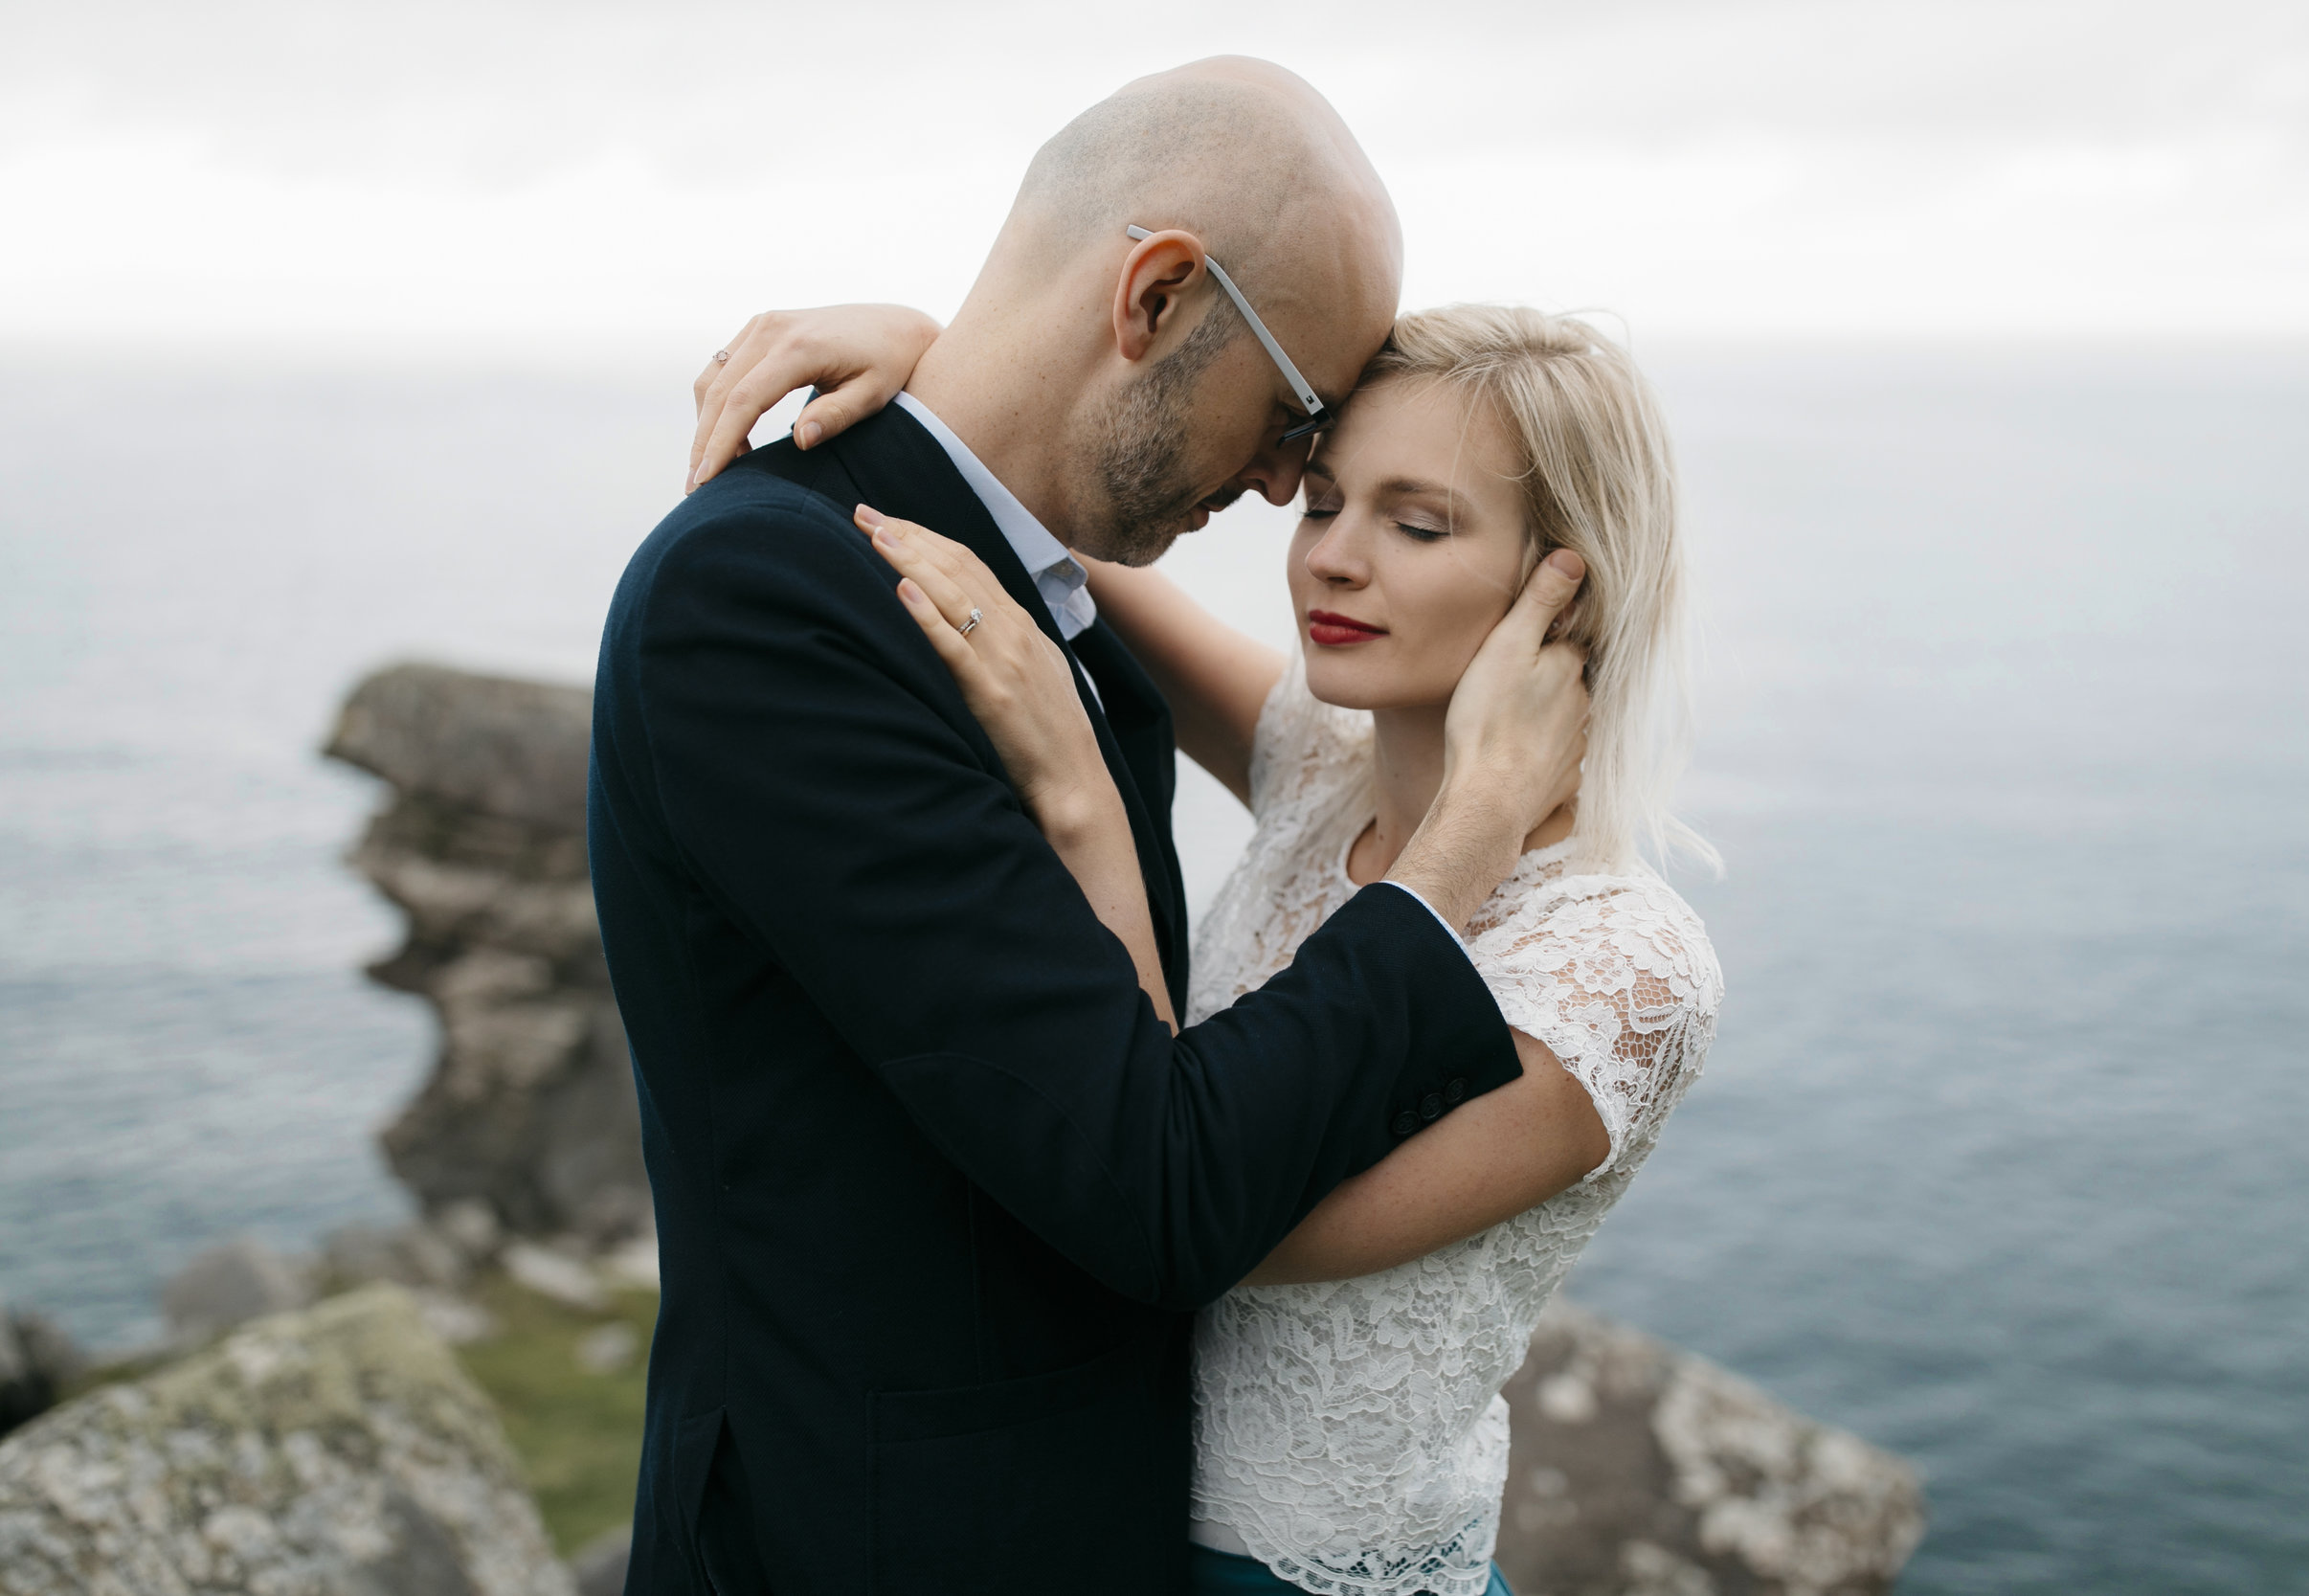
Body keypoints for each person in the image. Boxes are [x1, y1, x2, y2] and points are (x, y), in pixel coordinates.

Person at [591, 59, 1592, 1596]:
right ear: (1158, 299)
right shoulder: (766, 608)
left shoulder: (1018, 593)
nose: (1280, 490)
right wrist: (1468, 839)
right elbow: (1156, 1186)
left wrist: (938, 364)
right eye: (1290, 419)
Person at [703, 302, 1723, 1596]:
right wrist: (948, 366)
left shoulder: (1618, 972)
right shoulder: (1322, 770)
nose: (1331, 562)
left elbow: (1199, 1216)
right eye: (1323, 506)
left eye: (1415, 524)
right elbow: (1053, 524)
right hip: (1089, 1533)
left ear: (1564, 592)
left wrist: (1083, 798)